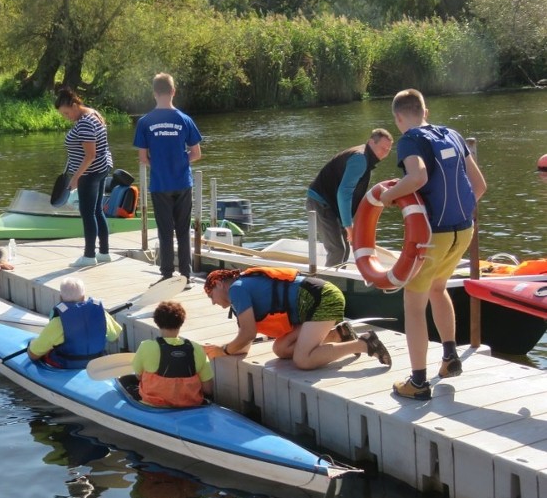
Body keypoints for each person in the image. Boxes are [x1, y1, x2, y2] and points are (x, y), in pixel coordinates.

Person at [380, 89, 487, 400]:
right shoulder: (452, 135)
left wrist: (388, 195)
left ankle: (417, 382)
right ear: (425, 110)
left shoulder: (410, 140)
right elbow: (479, 186)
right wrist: (459, 215)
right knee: (438, 288)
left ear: (398, 117)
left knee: (414, 306)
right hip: (463, 230)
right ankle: (450, 358)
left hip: (433, 236)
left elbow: (417, 177)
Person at [201, 268, 391, 370]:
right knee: (280, 349)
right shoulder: (239, 294)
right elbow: (244, 343)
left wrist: (223, 350)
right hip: (311, 306)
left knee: (303, 360)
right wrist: (220, 350)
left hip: (323, 298)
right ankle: (338, 335)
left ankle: (365, 344)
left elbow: (248, 334)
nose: (212, 302)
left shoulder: (237, 289)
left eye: (211, 296)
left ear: (218, 284)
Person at [133, 73, 202, 288]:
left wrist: (160, 165)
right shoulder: (184, 119)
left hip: (160, 184)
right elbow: (196, 153)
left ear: (154, 93)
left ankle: (166, 275)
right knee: (183, 231)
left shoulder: (145, 122)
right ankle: (186, 277)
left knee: (165, 231)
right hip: (183, 182)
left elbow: (143, 159)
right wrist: (181, 162)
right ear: (173, 91)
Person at [306, 128, 394, 266]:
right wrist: (348, 226)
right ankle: (326, 285)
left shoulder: (366, 158)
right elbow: (344, 192)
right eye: (382, 147)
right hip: (320, 202)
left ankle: (339, 279)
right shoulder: (360, 158)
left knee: (345, 249)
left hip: (333, 203)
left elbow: (352, 193)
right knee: (337, 250)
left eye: (388, 149)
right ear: (371, 142)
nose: (385, 152)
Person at [55, 87, 114, 267]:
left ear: (74, 105)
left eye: (66, 113)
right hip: (101, 168)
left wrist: (76, 178)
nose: (66, 117)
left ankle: (89, 256)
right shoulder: (92, 113)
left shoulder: (85, 123)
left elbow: (90, 155)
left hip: (90, 172)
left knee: (87, 213)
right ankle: (104, 253)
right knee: (96, 211)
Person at [27, 277, 123, 369]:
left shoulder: (57, 323)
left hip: (66, 365)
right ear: (83, 297)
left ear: (61, 297)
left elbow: (33, 355)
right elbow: (114, 338)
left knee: (42, 351)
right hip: (96, 362)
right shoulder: (102, 314)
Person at [131, 301, 213, 407]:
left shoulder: (146, 346)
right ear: (181, 322)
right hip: (190, 406)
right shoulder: (196, 348)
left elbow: (138, 376)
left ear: (157, 322)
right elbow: (208, 389)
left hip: (154, 406)